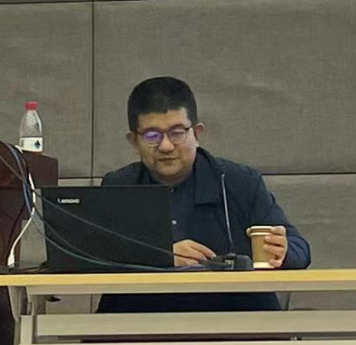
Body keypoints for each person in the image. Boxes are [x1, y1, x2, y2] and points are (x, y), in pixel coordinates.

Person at [98, 76, 310, 312]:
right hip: (140, 322)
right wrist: (160, 256)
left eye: (177, 133)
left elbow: (300, 249)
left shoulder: (238, 181)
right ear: (134, 141)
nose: (166, 146)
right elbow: (88, 257)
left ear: (197, 134)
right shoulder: (119, 186)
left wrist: (284, 251)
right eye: (152, 136)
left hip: (236, 320)